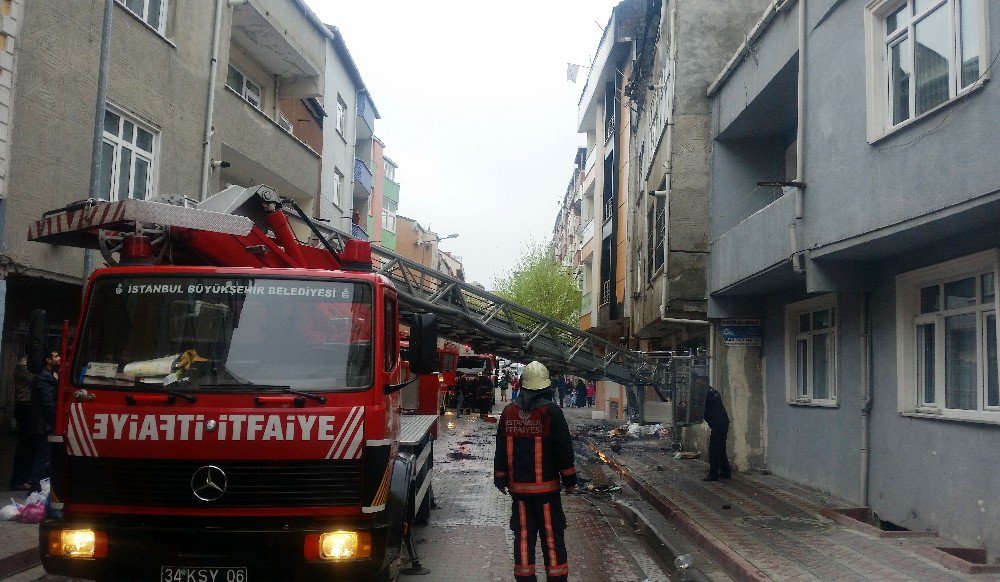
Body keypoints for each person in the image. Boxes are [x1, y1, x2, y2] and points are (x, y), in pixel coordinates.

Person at [494, 361, 576, 582]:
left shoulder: (509, 412)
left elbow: (501, 447)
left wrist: (500, 478)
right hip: (547, 492)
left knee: (523, 538)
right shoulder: (552, 413)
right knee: (551, 537)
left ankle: (525, 578)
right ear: (545, 387)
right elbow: (563, 449)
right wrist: (570, 481)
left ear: (523, 385)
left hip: (519, 493)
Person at [28, 350, 60, 493]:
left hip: (44, 423)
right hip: (43, 423)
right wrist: (55, 419)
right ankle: (35, 487)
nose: (59, 359)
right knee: (41, 456)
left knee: (43, 456)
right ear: (48, 360)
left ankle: (37, 486)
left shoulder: (50, 376)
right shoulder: (43, 378)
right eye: (56, 356)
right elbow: (48, 403)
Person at [7, 355, 35, 491]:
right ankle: (18, 480)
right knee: (25, 446)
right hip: (26, 408)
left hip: (29, 408)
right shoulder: (23, 366)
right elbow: (37, 381)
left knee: (28, 446)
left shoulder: (28, 364)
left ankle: (23, 478)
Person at [698, 376, 732, 481]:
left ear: (705, 382)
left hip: (719, 424)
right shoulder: (713, 392)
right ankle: (726, 472)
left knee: (714, 449)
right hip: (721, 423)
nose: (697, 385)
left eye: (699, 383)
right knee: (720, 448)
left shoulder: (707, 394)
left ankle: (713, 474)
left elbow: (698, 405)